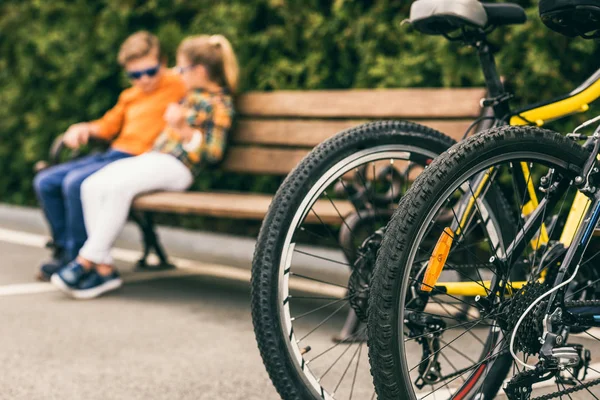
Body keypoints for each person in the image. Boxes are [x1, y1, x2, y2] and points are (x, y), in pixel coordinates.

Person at [51, 34, 238, 299]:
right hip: (155, 158)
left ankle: (86, 260)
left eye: (182, 69)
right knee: (92, 184)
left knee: (119, 189)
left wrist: (183, 129)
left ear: (199, 71)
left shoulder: (219, 103)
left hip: (178, 167)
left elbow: (212, 153)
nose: (177, 74)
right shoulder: (189, 94)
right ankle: (104, 270)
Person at [33, 31, 186, 281]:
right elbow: (107, 126)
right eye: (135, 75)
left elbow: (205, 75)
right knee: (46, 181)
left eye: (150, 71)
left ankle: (79, 258)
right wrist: (84, 128)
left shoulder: (179, 84)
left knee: (75, 183)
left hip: (138, 161)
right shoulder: (130, 96)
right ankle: (63, 251)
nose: (144, 80)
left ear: (164, 62)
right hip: (113, 153)